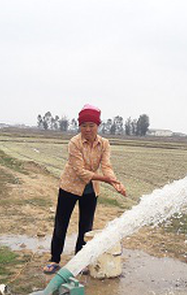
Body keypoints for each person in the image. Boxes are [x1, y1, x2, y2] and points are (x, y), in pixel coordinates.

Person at [43, 104, 127, 274]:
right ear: (79, 126)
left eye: (91, 125)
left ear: (98, 126)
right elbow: (81, 172)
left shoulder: (104, 144)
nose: (87, 129)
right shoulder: (74, 142)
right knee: (61, 223)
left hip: (91, 190)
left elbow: (106, 165)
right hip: (69, 186)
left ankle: (79, 261)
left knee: (86, 227)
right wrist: (107, 180)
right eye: (84, 125)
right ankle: (54, 259)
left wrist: (115, 181)